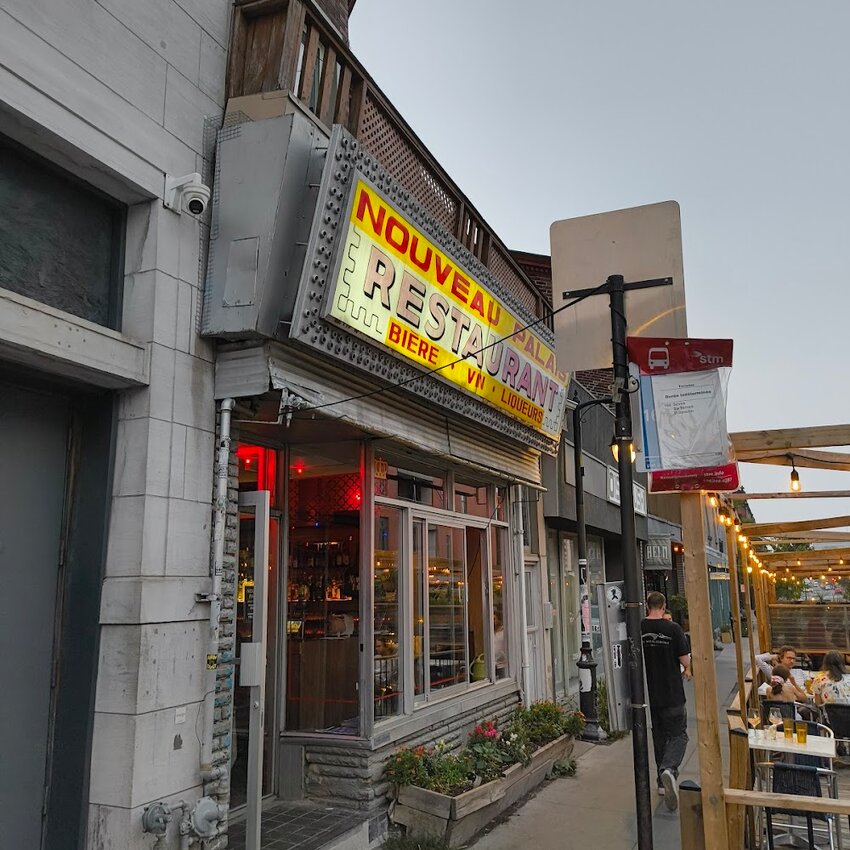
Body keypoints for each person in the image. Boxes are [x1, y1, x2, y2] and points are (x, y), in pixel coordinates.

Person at [642, 591, 692, 812]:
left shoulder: (640, 628)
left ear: (647, 606)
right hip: (671, 691)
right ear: (663, 606)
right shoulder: (673, 629)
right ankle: (669, 770)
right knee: (679, 735)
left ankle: (661, 783)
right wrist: (688, 669)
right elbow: (685, 660)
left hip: (648, 694)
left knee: (659, 736)